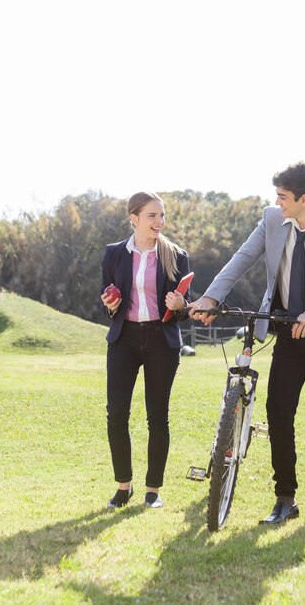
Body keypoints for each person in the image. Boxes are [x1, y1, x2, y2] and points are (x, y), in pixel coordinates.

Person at [190, 161, 305, 524]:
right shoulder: (271, 219)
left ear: (304, 199)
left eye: (283, 197)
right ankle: (285, 498)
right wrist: (210, 297)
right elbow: (242, 259)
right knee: (279, 411)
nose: (277, 202)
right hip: (287, 328)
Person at [101, 191, 190, 510]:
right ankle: (123, 486)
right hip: (123, 339)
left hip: (160, 342)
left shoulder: (176, 255)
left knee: (158, 416)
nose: (160, 221)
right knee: (117, 414)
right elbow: (108, 300)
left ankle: (152, 490)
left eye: (162, 215)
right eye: (152, 215)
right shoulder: (114, 254)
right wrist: (110, 304)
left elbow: (183, 307)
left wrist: (181, 304)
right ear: (134, 218)